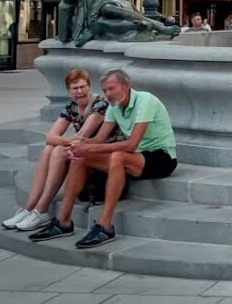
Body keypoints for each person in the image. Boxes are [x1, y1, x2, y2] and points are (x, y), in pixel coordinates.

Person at [30, 69, 178, 249]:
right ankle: (63, 222)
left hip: (160, 156)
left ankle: (105, 226)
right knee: (80, 157)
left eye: (111, 89)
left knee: (117, 156)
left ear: (126, 85)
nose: (107, 94)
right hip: (135, 156)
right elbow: (99, 139)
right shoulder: (114, 105)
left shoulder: (145, 101)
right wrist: (77, 147)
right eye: (105, 90)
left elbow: (131, 144)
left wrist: (92, 147)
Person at [2, 69, 118, 231]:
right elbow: (50, 137)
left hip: (101, 153)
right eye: (74, 88)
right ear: (68, 91)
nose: (79, 92)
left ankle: (41, 209)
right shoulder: (72, 106)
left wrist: (64, 142)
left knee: (57, 151)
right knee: (49, 149)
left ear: (89, 87)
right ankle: (29, 208)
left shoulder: (99, 104)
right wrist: (66, 141)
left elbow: (82, 136)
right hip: (84, 150)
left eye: (83, 87)